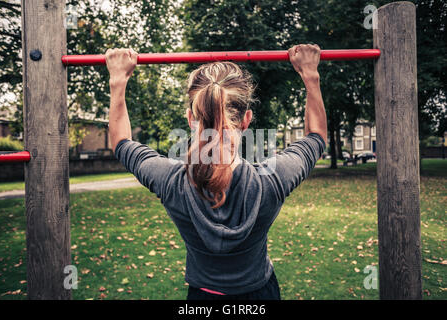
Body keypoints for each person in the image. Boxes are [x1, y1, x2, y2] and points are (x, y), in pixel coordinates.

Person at [105, 44, 327, 300]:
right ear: (246, 120)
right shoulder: (272, 181)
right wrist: (310, 75)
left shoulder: (171, 182)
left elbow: (121, 142)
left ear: (190, 118)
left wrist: (117, 80)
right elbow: (317, 136)